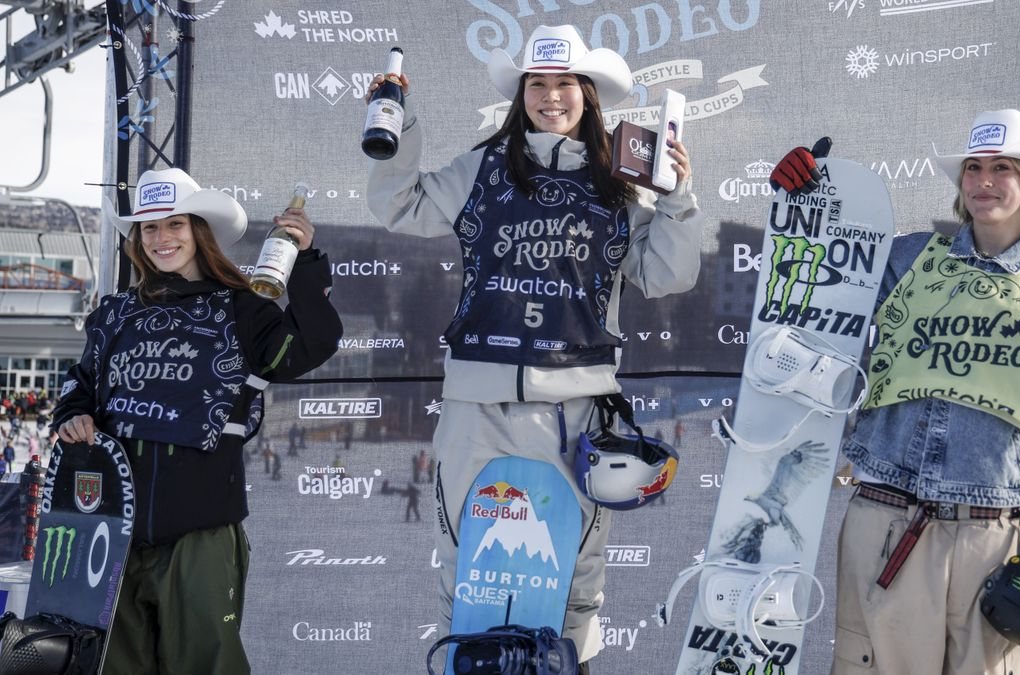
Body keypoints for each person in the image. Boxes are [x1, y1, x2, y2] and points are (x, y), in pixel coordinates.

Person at [769, 110, 1020, 675]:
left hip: (991, 534)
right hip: (887, 518)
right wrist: (806, 207)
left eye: (1002, 167)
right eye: (974, 168)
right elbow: (818, 293)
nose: (984, 180)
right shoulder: (909, 258)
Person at [366, 24, 702, 667]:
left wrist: (677, 198)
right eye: (538, 83)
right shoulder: (482, 167)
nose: (552, 96)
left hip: (574, 416)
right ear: (522, 93)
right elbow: (400, 206)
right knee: (470, 580)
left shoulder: (617, 183)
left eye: (566, 83)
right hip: (477, 409)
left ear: (589, 93)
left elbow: (667, 275)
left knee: (573, 585)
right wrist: (398, 128)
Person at [52, 167, 342, 674]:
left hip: (200, 533)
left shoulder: (241, 308)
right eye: (149, 228)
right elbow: (79, 382)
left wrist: (305, 260)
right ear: (138, 241)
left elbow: (311, 344)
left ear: (199, 232)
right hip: (110, 529)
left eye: (175, 225)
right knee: (113, 666)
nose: (162, 238)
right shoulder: (115, 313)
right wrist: (73, 416)